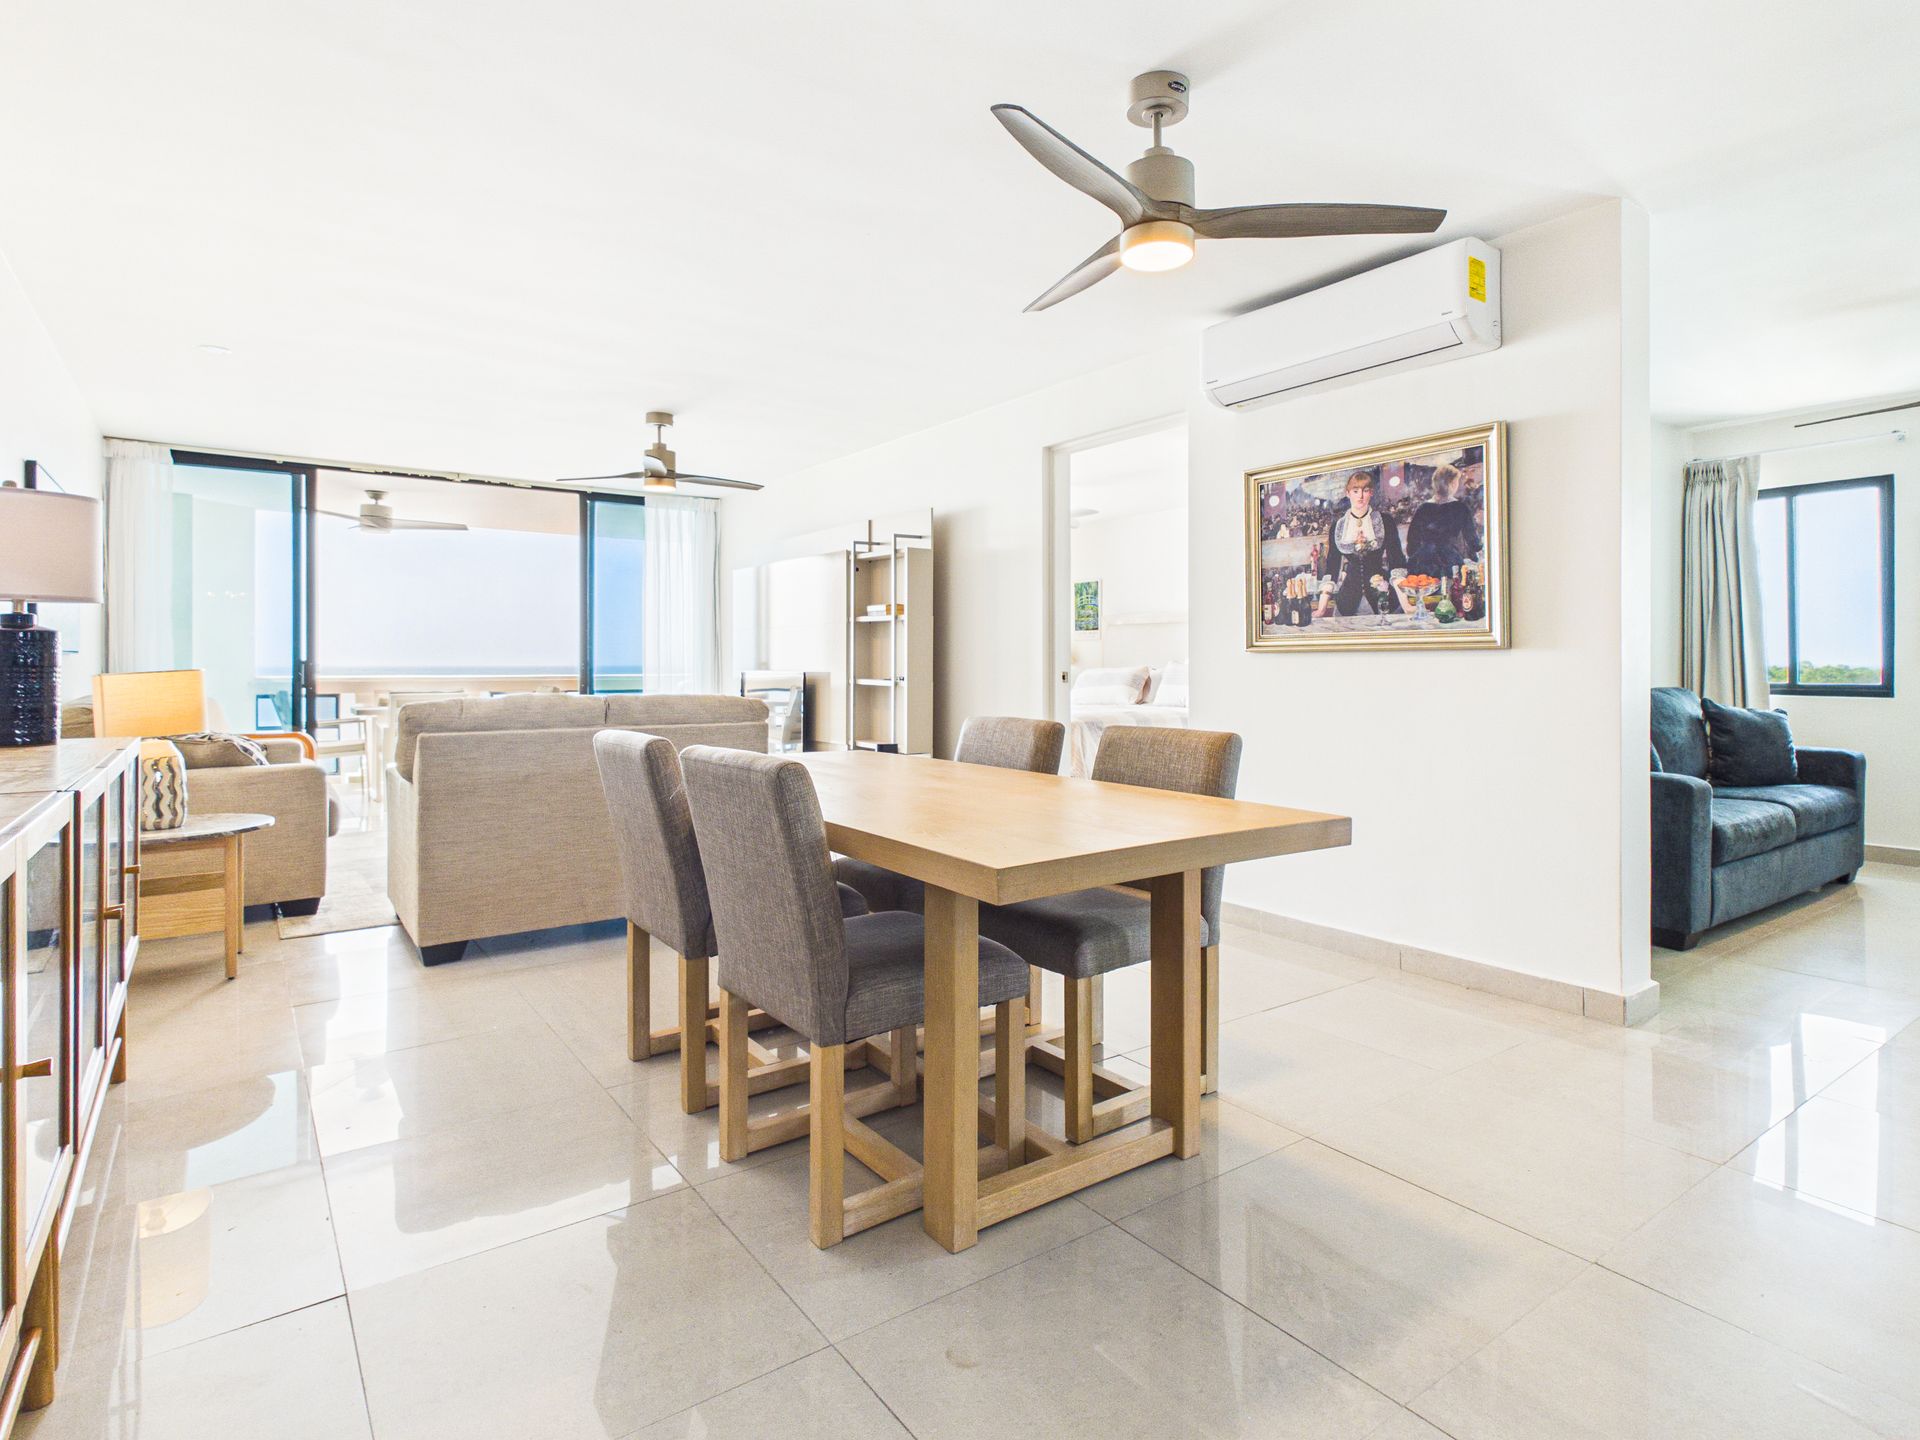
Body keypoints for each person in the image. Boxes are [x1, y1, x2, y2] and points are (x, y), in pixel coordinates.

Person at [1313, 467, 1407, 618]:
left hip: (1382, 599)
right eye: (1355, 491)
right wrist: (1322, 608)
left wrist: (1406, 604)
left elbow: (1396, 563)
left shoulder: (1385, 521)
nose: (1360, 496)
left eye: (1365, 490)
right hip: (1347, 602)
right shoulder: (1338, 526)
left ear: (1371, 493)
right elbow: (1332, 568)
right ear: (1347, 493)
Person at [1404, 463, 1480, 580]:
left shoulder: (1423, 508)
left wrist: (1415, 557)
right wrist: (1476, 553)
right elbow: (1473, 541)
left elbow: (1412, 541)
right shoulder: (1460, 508)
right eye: (1456, 481)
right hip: (1449, 561)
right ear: (1451, 483)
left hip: (1423, 562)